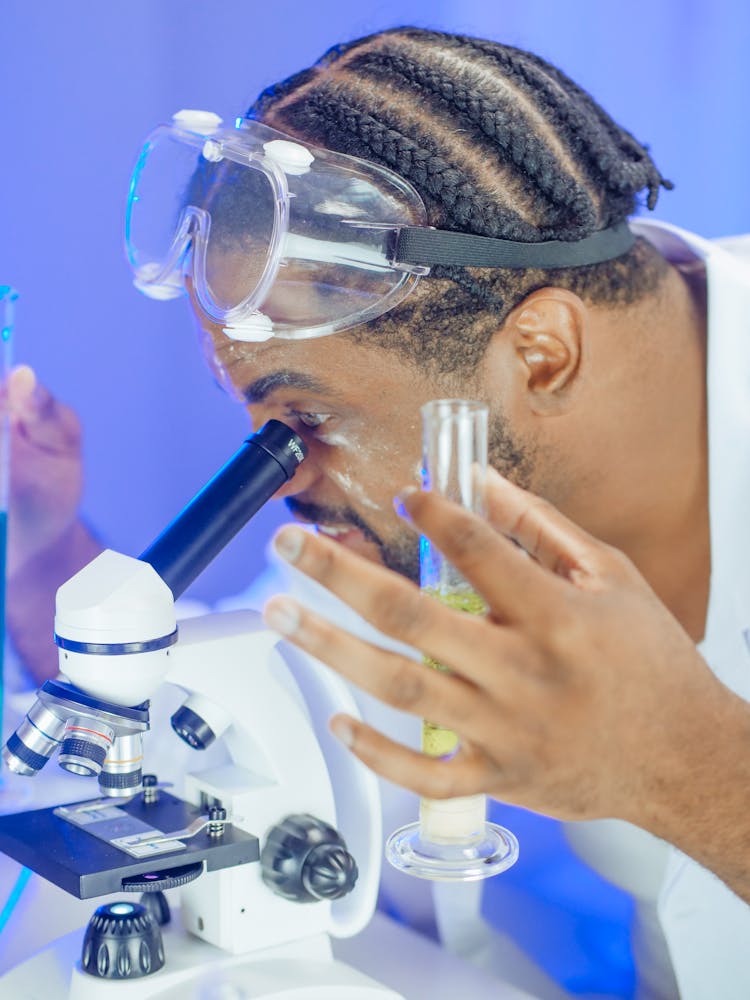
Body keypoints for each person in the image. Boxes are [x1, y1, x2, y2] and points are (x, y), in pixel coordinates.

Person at [5, 25, 750, 1000]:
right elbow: (219, 709)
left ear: (544, 355)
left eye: (303, 417)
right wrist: (39, 547)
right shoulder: (413, 520)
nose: (278, 477)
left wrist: (689, 771)